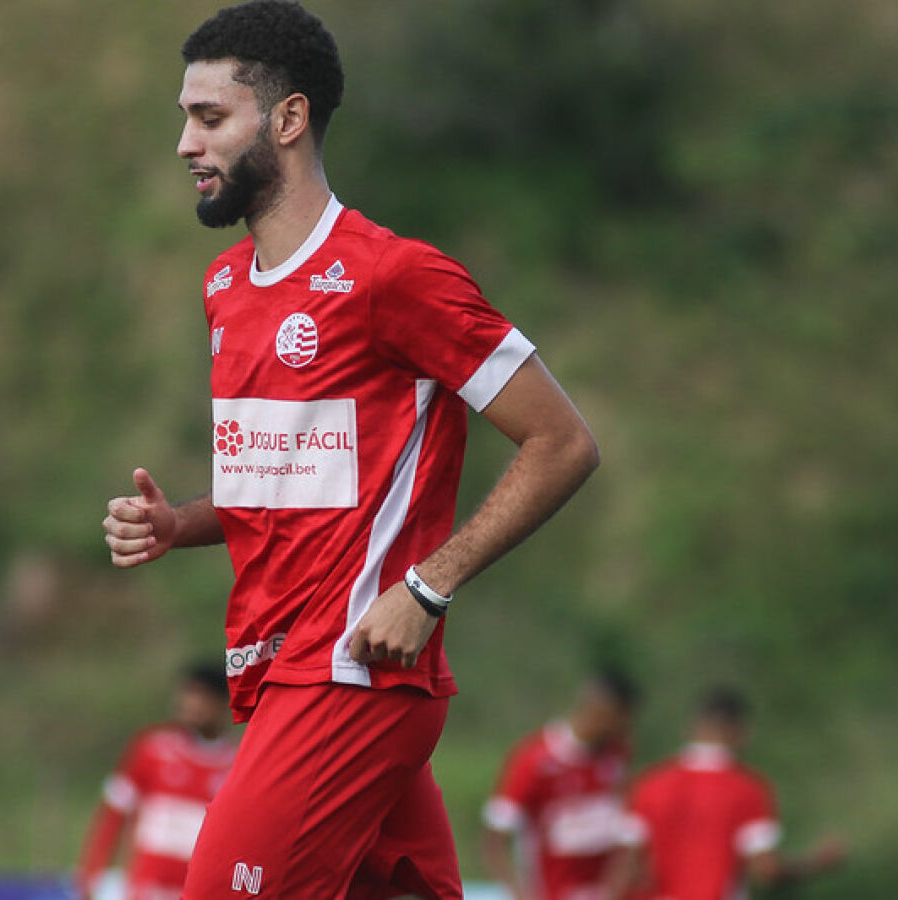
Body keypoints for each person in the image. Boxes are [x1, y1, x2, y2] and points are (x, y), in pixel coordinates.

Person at [100, 1, 599, 896]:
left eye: (209, 118)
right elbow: (290, 489)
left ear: (287, 120)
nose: (184, 143)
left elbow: (562, 442)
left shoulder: (393, 276)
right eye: (184, 117)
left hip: (347, 675)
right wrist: (180, 523)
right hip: (277, 671)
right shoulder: (224, 286)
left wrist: (429, 585)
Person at [607, 686, 846, 900]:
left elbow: (625, 869)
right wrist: (816, 863)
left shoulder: (649, 783)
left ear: (692, 726)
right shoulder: (747, 790)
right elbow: (767, 871)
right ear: (739, 731)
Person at [75, 663, 237, 900]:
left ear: (222, 704)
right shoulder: (152, 749)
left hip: (196, 892)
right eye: (187, 694)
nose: (191, 704)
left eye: (202, 697)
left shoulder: (235, 765)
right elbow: (112, 816)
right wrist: (90, 875)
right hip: (146, 890)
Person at [481, 668, 639, 900]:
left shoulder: (617, 755)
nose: (626, 729)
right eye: (623, 720)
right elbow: (494, 841)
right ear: (601, 710)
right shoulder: (534, 758)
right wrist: (520, 893)